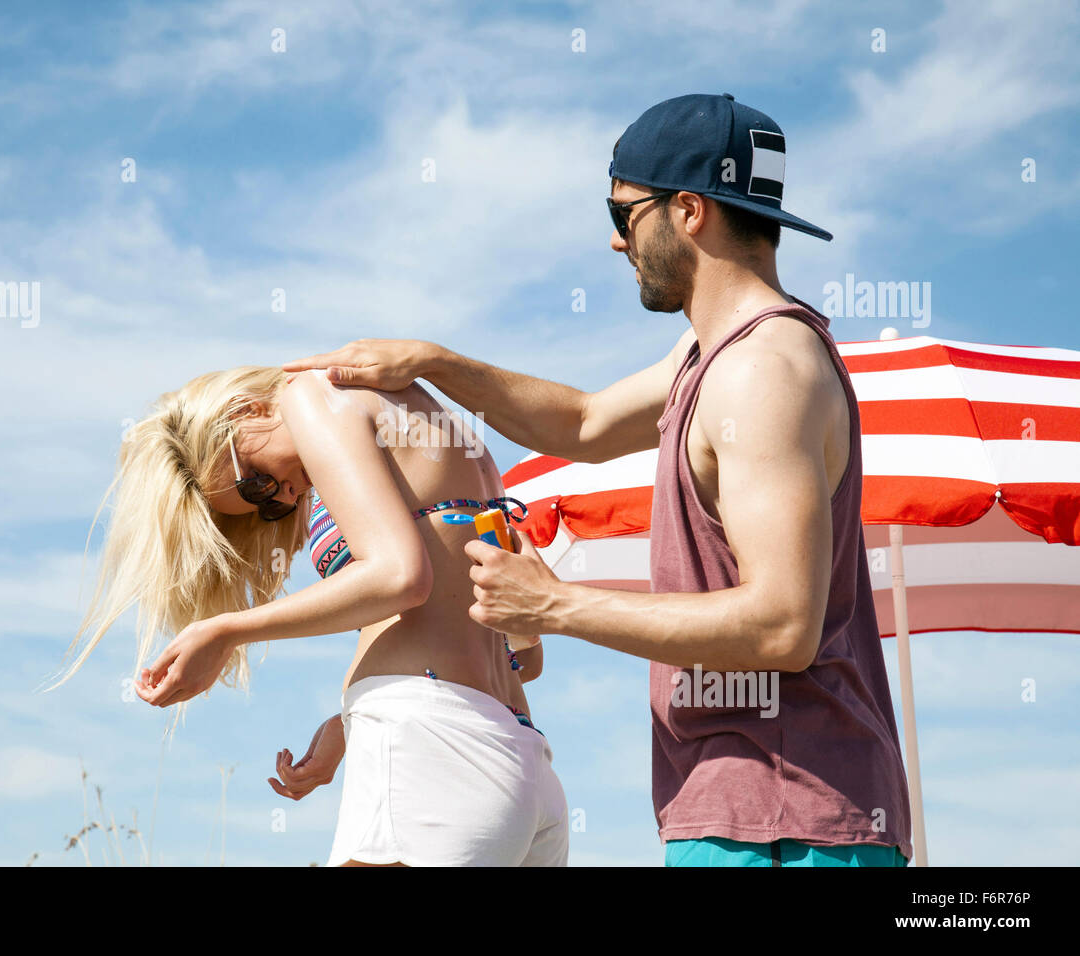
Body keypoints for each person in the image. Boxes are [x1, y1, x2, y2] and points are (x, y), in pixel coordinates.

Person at [284, 92, 913, 867]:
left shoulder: (761, 372)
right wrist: (436, 362)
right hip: (745, 808)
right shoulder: (710, 357)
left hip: (788, 822)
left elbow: (783, 626)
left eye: (623, 216)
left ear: (688, 210)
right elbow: (581, 424)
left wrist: (555, 605)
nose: (617, 245)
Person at [54, 365, 567, 866]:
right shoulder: (438, 432)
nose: (284, 495)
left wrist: (224, 630)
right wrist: (346, 726)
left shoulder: (309, 397)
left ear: (246, 411)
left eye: (256, 481)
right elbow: (523, 653)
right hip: (519, 758)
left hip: (429, 744)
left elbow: (400, 577)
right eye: (266, 505)